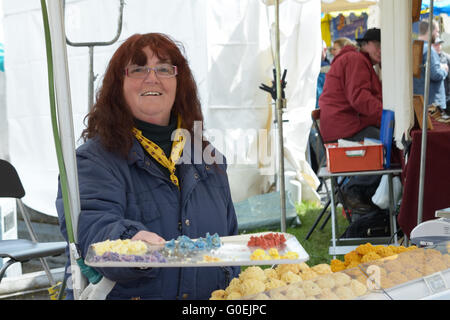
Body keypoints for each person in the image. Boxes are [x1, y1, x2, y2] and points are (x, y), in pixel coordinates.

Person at [56, 33, 240, 300]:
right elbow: (93, 228)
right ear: (118, 85)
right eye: (138, 68)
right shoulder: (92, 161)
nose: (152, 77)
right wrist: (132, 243)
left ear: (180, 83)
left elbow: (230, 246)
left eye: (164, 69)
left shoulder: (209, 160)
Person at [318, 28, 384, 211]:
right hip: (343, 128)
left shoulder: (358, 60)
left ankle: (367, 200)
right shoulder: (356, 60)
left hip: (344, 124)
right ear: (364, 45)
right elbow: (360, 98)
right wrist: (386, 116)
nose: (381, 50)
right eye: (377, 45)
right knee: (388, 147)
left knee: (385, 141)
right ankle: (353, 190)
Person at [413, 19, 448, 117]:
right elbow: (435, 74)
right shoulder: (429, 50)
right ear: (430, 31)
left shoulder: (415, 46)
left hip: (421, 101)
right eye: (437, 31)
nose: (437, 35)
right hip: (434, 104)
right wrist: (444, 69)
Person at [432, 36, 450, 119]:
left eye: (440, 44)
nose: (439, 46)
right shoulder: (427, 58)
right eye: (436, 45)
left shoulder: (447, 58)